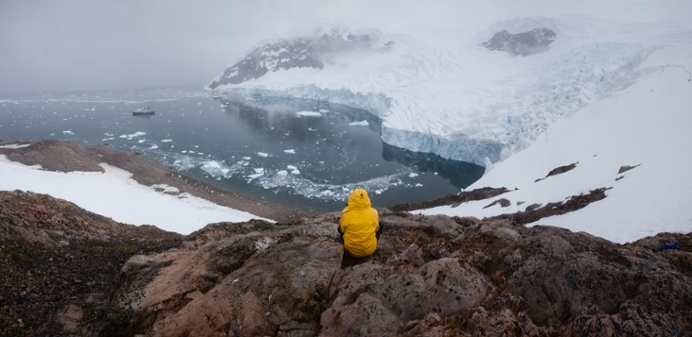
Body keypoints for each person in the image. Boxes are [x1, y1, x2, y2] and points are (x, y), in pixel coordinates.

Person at [338, 188, 382, 258]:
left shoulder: (346, 215)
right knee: (380, 225)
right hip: (370, 249)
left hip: (351, 251)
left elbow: (342, 230)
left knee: (340, 228)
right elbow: (377, 228)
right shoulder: (374, 212)